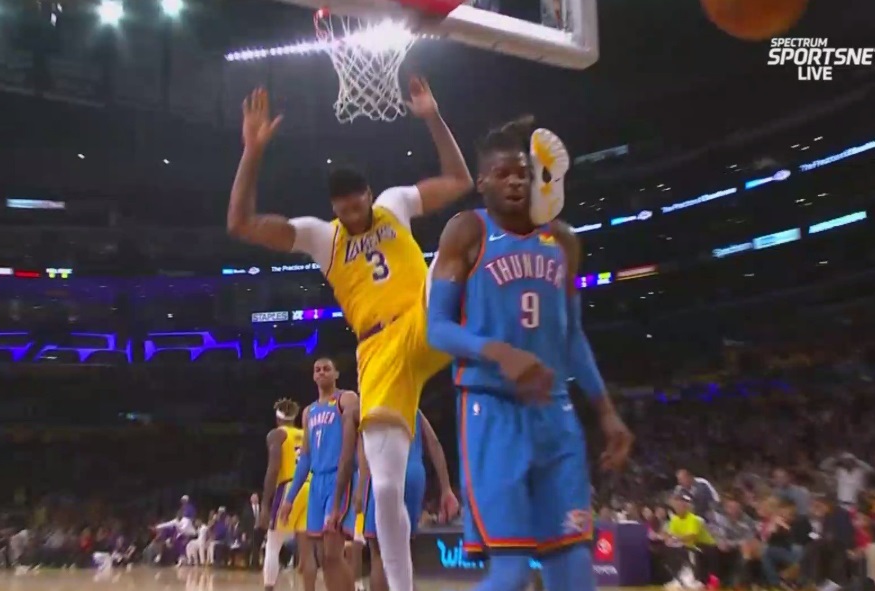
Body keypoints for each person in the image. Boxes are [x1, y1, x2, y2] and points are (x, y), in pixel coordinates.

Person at [228, 79, 473, 591]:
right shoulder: (323, 237)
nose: (350, 211)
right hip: (377, 349)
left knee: (462, 233)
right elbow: (242, 224)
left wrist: (431, 115)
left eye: (355, 202)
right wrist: (251, 152)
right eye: (341, 206)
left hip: (421, 315)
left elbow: (459, 179)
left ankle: (506, 344)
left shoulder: (393, 203)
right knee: (383, 487)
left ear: (367, 193)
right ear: (334, 206)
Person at [425, 120, 634, 591]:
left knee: (575, 573)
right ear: (482, 183)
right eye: (503, 174)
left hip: (555, 415)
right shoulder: (466, 231)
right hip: (491, 411)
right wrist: (499, 352)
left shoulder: (563, 240)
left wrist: (606, 413)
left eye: (522, 172)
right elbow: (436, 328)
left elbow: (573, 337)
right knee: (512, 572)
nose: (516, 180)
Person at [341, 406, 459, 591]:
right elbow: (434, 444)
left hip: (385, 472)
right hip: (414, 474)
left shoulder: (373, 402)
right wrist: (446, 488)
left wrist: (360, 489)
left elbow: (364, 454)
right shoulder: (413, 407)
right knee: (404, 550)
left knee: (379, 552)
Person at [279, 359, 357, 591]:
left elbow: (358, 440)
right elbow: (305, 459)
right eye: (317, 369)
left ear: (336, 374)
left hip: (339, 478)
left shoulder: (347, 399)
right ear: (313, 376)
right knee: (325, 556)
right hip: (316, 483)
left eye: (326, 368)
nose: (321, 372)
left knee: (333, 552)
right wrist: (289, 498)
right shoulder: (308, 412)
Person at [260, 399, 316, 591]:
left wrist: (265, 506)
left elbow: (273, 468)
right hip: (310, 487)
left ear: (277, 418)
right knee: (307, 551)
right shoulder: (305, 434)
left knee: (273, 544)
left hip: (289, 487)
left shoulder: (277, 435)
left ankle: (269, 588)